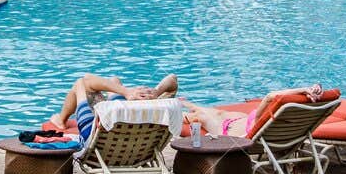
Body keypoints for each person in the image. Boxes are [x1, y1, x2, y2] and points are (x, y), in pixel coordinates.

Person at [46, 73, 179, 138]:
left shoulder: (90, 128)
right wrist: (156, 92)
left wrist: (127, 92)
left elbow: (85, 80)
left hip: (100, 135)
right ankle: (121, 90)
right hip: (140, 143)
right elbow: (172, 79)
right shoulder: (159, 111)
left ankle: (61, 120)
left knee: (80, 83)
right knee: (114, 80)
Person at [183, 84, 328, 139]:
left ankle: (176, 106)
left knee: (200, 116)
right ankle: (183, 102)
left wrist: (303, 89)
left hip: (226, 129)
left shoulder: (261, 120)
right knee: (213, 112)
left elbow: (270, 96)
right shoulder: (288, 123)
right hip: (237, 120)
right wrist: (313, 88)